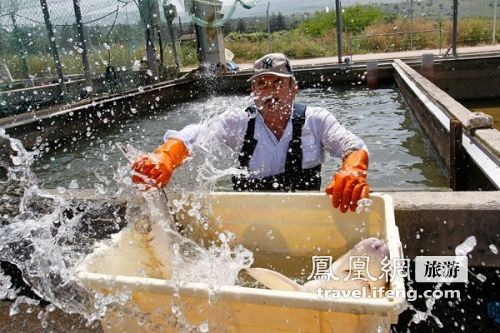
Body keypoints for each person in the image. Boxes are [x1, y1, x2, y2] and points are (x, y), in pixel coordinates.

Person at [132, 53, 370, 213]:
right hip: (250, 221)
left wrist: (353, 170)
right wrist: (166, 156)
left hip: (305, 218)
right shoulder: (239, 122)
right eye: (261, 85)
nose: (269, 91)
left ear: (293, 89)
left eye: (277, 83)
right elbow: (197, 134)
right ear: (253, 91)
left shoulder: (316, 120)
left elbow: (353, 146)